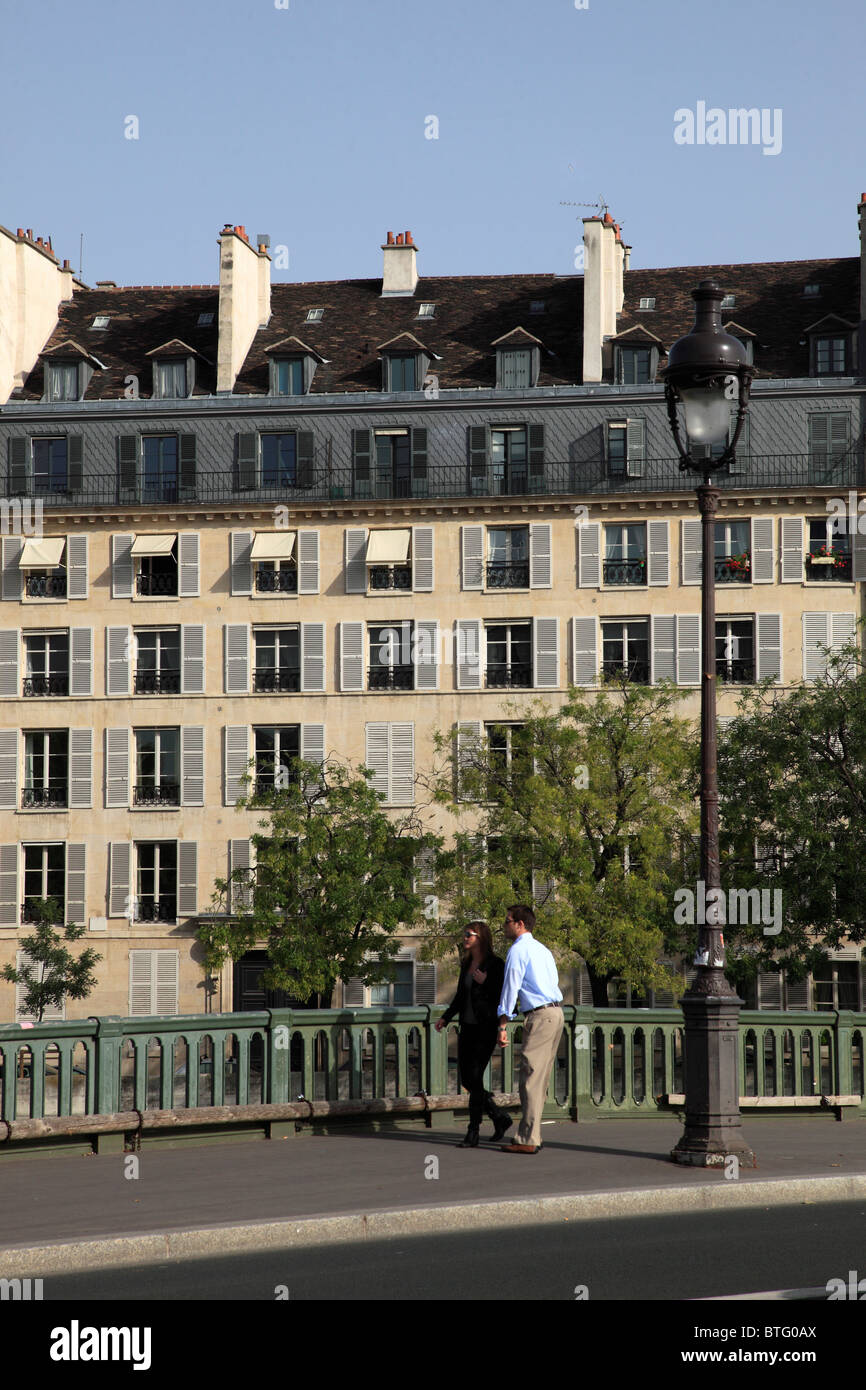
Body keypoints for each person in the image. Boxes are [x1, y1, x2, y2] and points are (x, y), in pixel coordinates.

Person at [435, 920, 512, 1147]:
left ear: (481, 938)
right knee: (468, 1079)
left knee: (475, 1078)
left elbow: (504, 998)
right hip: (467, 1027)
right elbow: (460, 996)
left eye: (469, 934)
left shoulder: (496, 964)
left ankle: (473, 1131)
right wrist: (446, 1017)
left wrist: (486, 982)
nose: (465, 937)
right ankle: (499, 1117)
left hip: (485, 1028)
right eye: (465, 933)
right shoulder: (466, 963)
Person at [496, 904, 563, 1154]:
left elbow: (510, 986)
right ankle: (533, 1133)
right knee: (541, 1078)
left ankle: (528, 1138)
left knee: (530, 1079)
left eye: (507, 921)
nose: (504, 926)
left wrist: (502, 1022)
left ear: (519, 924)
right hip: (555, 1013)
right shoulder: (542, 950)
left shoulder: (518, 950)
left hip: (539, 1015)